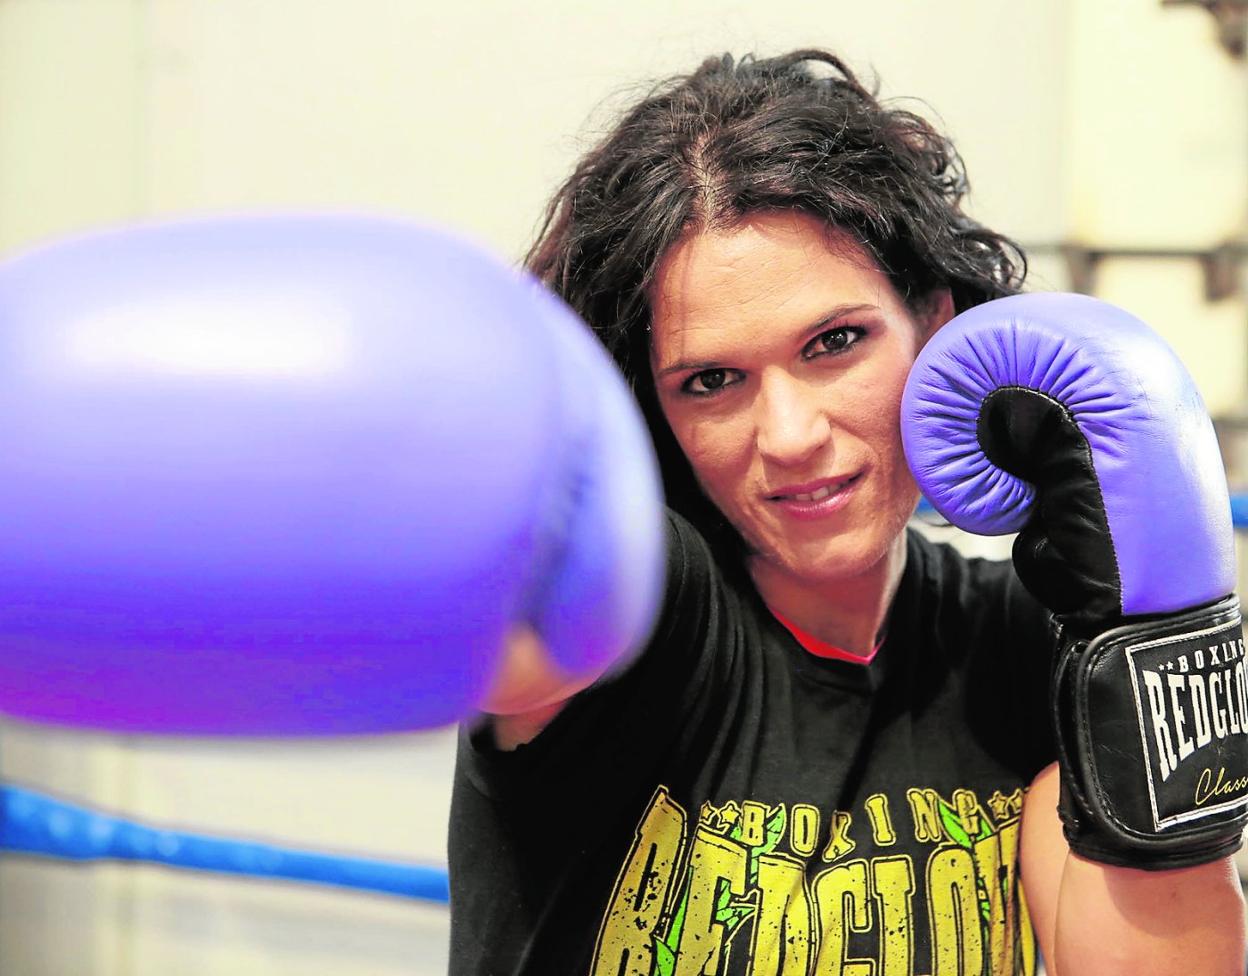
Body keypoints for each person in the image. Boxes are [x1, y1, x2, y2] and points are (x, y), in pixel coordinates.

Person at [447, 49, 1248, 975]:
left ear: (939, 333)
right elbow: (504, 632)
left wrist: (1156, 637)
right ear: (653, 413)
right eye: (711, 381)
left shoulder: (1026, 650)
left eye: (835, 343)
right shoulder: (642, 608)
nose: (788, 434)